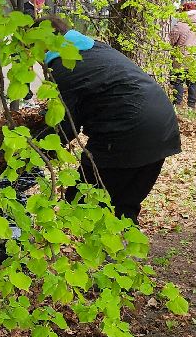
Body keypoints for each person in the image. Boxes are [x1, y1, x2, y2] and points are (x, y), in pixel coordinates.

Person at [44, 15, 181, 223]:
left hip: (127, 131)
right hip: (162, 128)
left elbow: (64, 127)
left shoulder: (64, 66)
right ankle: (120, 253)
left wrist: (33, 151)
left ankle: (98, 253)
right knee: (124, 206)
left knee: (83, 200)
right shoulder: (95, 48)